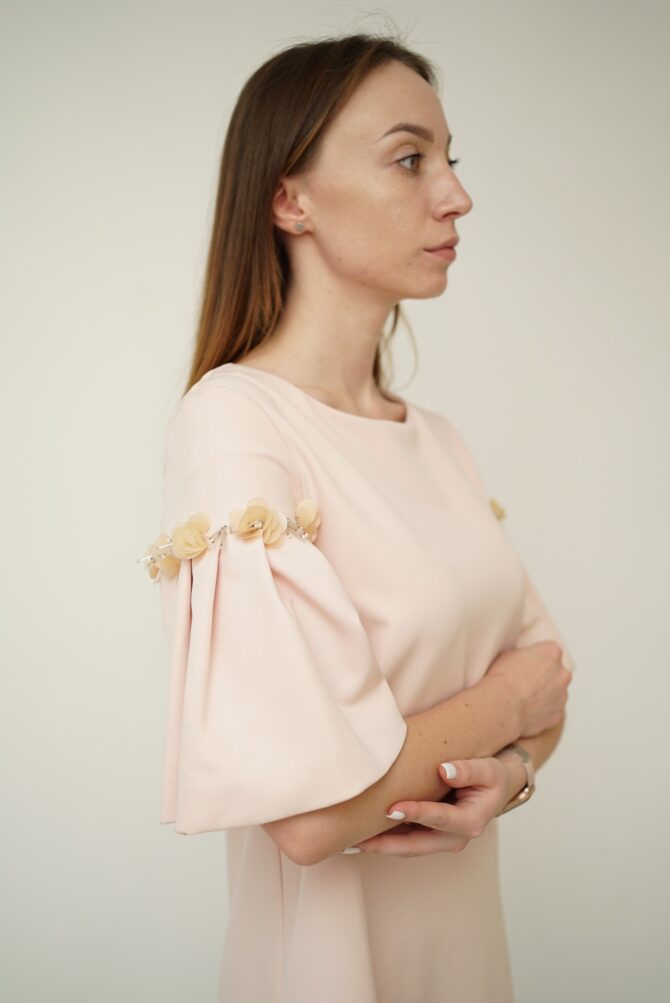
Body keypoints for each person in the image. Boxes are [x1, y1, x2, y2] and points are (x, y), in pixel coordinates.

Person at [139, 29, 575, 1003]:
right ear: (290, 198)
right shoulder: (234, 425)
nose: (454, 195)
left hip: (465, 962)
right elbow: (309, 813)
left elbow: (552, 675)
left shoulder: (438, 439)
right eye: (408, 159)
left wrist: (509, 773)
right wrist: (504, 713)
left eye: (450, 160)